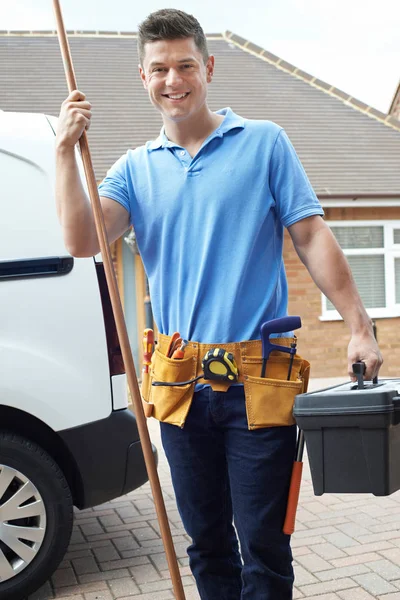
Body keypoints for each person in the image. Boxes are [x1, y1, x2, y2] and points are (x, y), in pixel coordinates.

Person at [55, 9, 383, 599]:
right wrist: (63, 153)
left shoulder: (263, 144)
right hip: (181, 386)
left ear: (207, 67)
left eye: (184, 65)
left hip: (260, 379)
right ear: (142, 77)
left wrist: (360, 326)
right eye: (159, 69)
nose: (172, 79)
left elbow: (310, 236)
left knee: (263, 543)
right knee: (206, 543)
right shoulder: (134, 169)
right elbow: (82, 241)